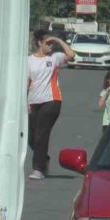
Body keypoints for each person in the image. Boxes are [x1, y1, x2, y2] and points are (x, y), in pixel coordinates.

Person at [27, 29, 74, 180]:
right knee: (31, 137)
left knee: (41, 133)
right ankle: (44, 159)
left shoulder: (55, 58)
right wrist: (24, 101)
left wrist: (58, 40)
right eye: (48, 43)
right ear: (39, 43)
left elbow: (71, 55)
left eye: (52, 43)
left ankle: (38, 169)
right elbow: (26, 82)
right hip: (33, 101)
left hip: (51, 100)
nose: (51, 46)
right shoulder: (29, 60)